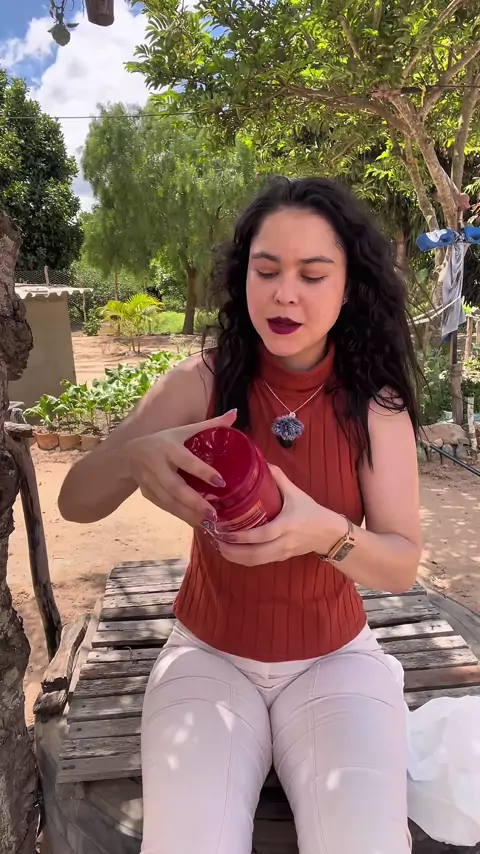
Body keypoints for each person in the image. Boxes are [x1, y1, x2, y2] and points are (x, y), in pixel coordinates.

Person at [59, 177, 422, 854]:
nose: (285, 294)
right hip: (208, 658)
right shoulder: (198, 383)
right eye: (267, 270)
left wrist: (326, 534)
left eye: (313, 274)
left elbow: (401, 564)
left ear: (349, 287)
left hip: (337, 663)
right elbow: (74, 501)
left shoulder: (375, 407)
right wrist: (133, 458)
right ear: (243, 276)